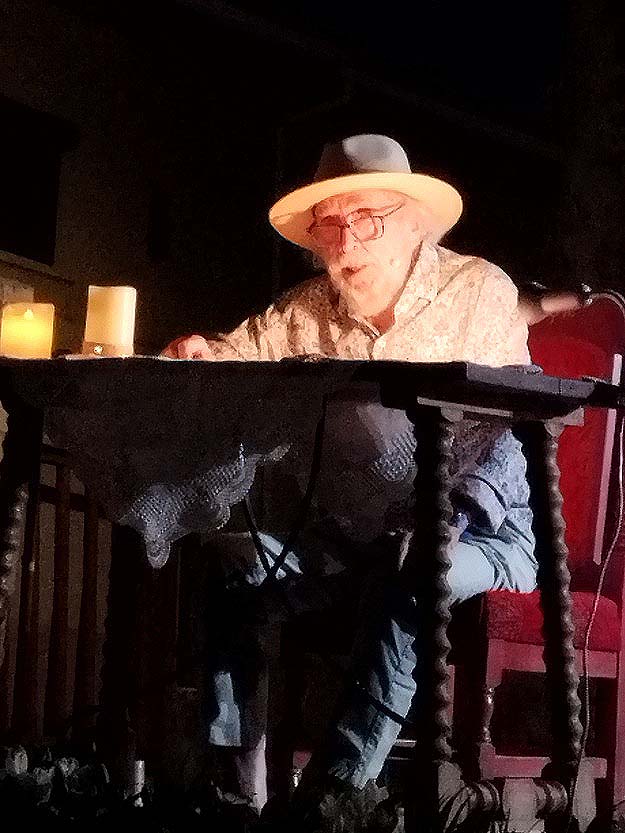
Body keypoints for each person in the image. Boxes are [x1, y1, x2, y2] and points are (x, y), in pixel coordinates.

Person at [161, 135, 585, 815]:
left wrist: (445, 523)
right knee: (235, 569)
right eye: (329, 224)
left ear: (412, 223)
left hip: (487, 534)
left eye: (366, 218)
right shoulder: (306, 312)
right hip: (351, 535)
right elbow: (237, 352)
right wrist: (201, 351)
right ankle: (234, 792)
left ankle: (336, 792)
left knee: (413, 566)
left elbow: (513, 435)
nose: (345, 241)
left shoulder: (478, 292)